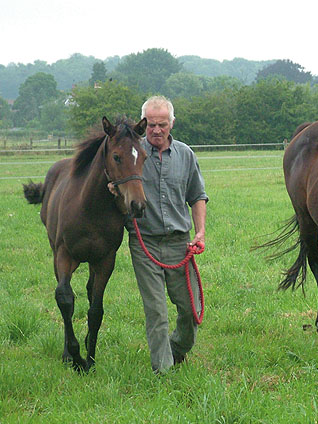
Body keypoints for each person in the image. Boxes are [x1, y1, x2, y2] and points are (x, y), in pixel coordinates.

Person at [120, 95, 208, 373]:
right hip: (145, 243)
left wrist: (201, 231)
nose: (156, 130)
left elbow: (197, 196)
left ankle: (175, 349)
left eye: (162, 124)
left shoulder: (185, 155)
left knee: (191, 311)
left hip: (179, 243)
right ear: (143, 124)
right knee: (157, 312)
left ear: (172, 123)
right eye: (150, 125)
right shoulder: (133, 155)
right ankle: (163, 372)